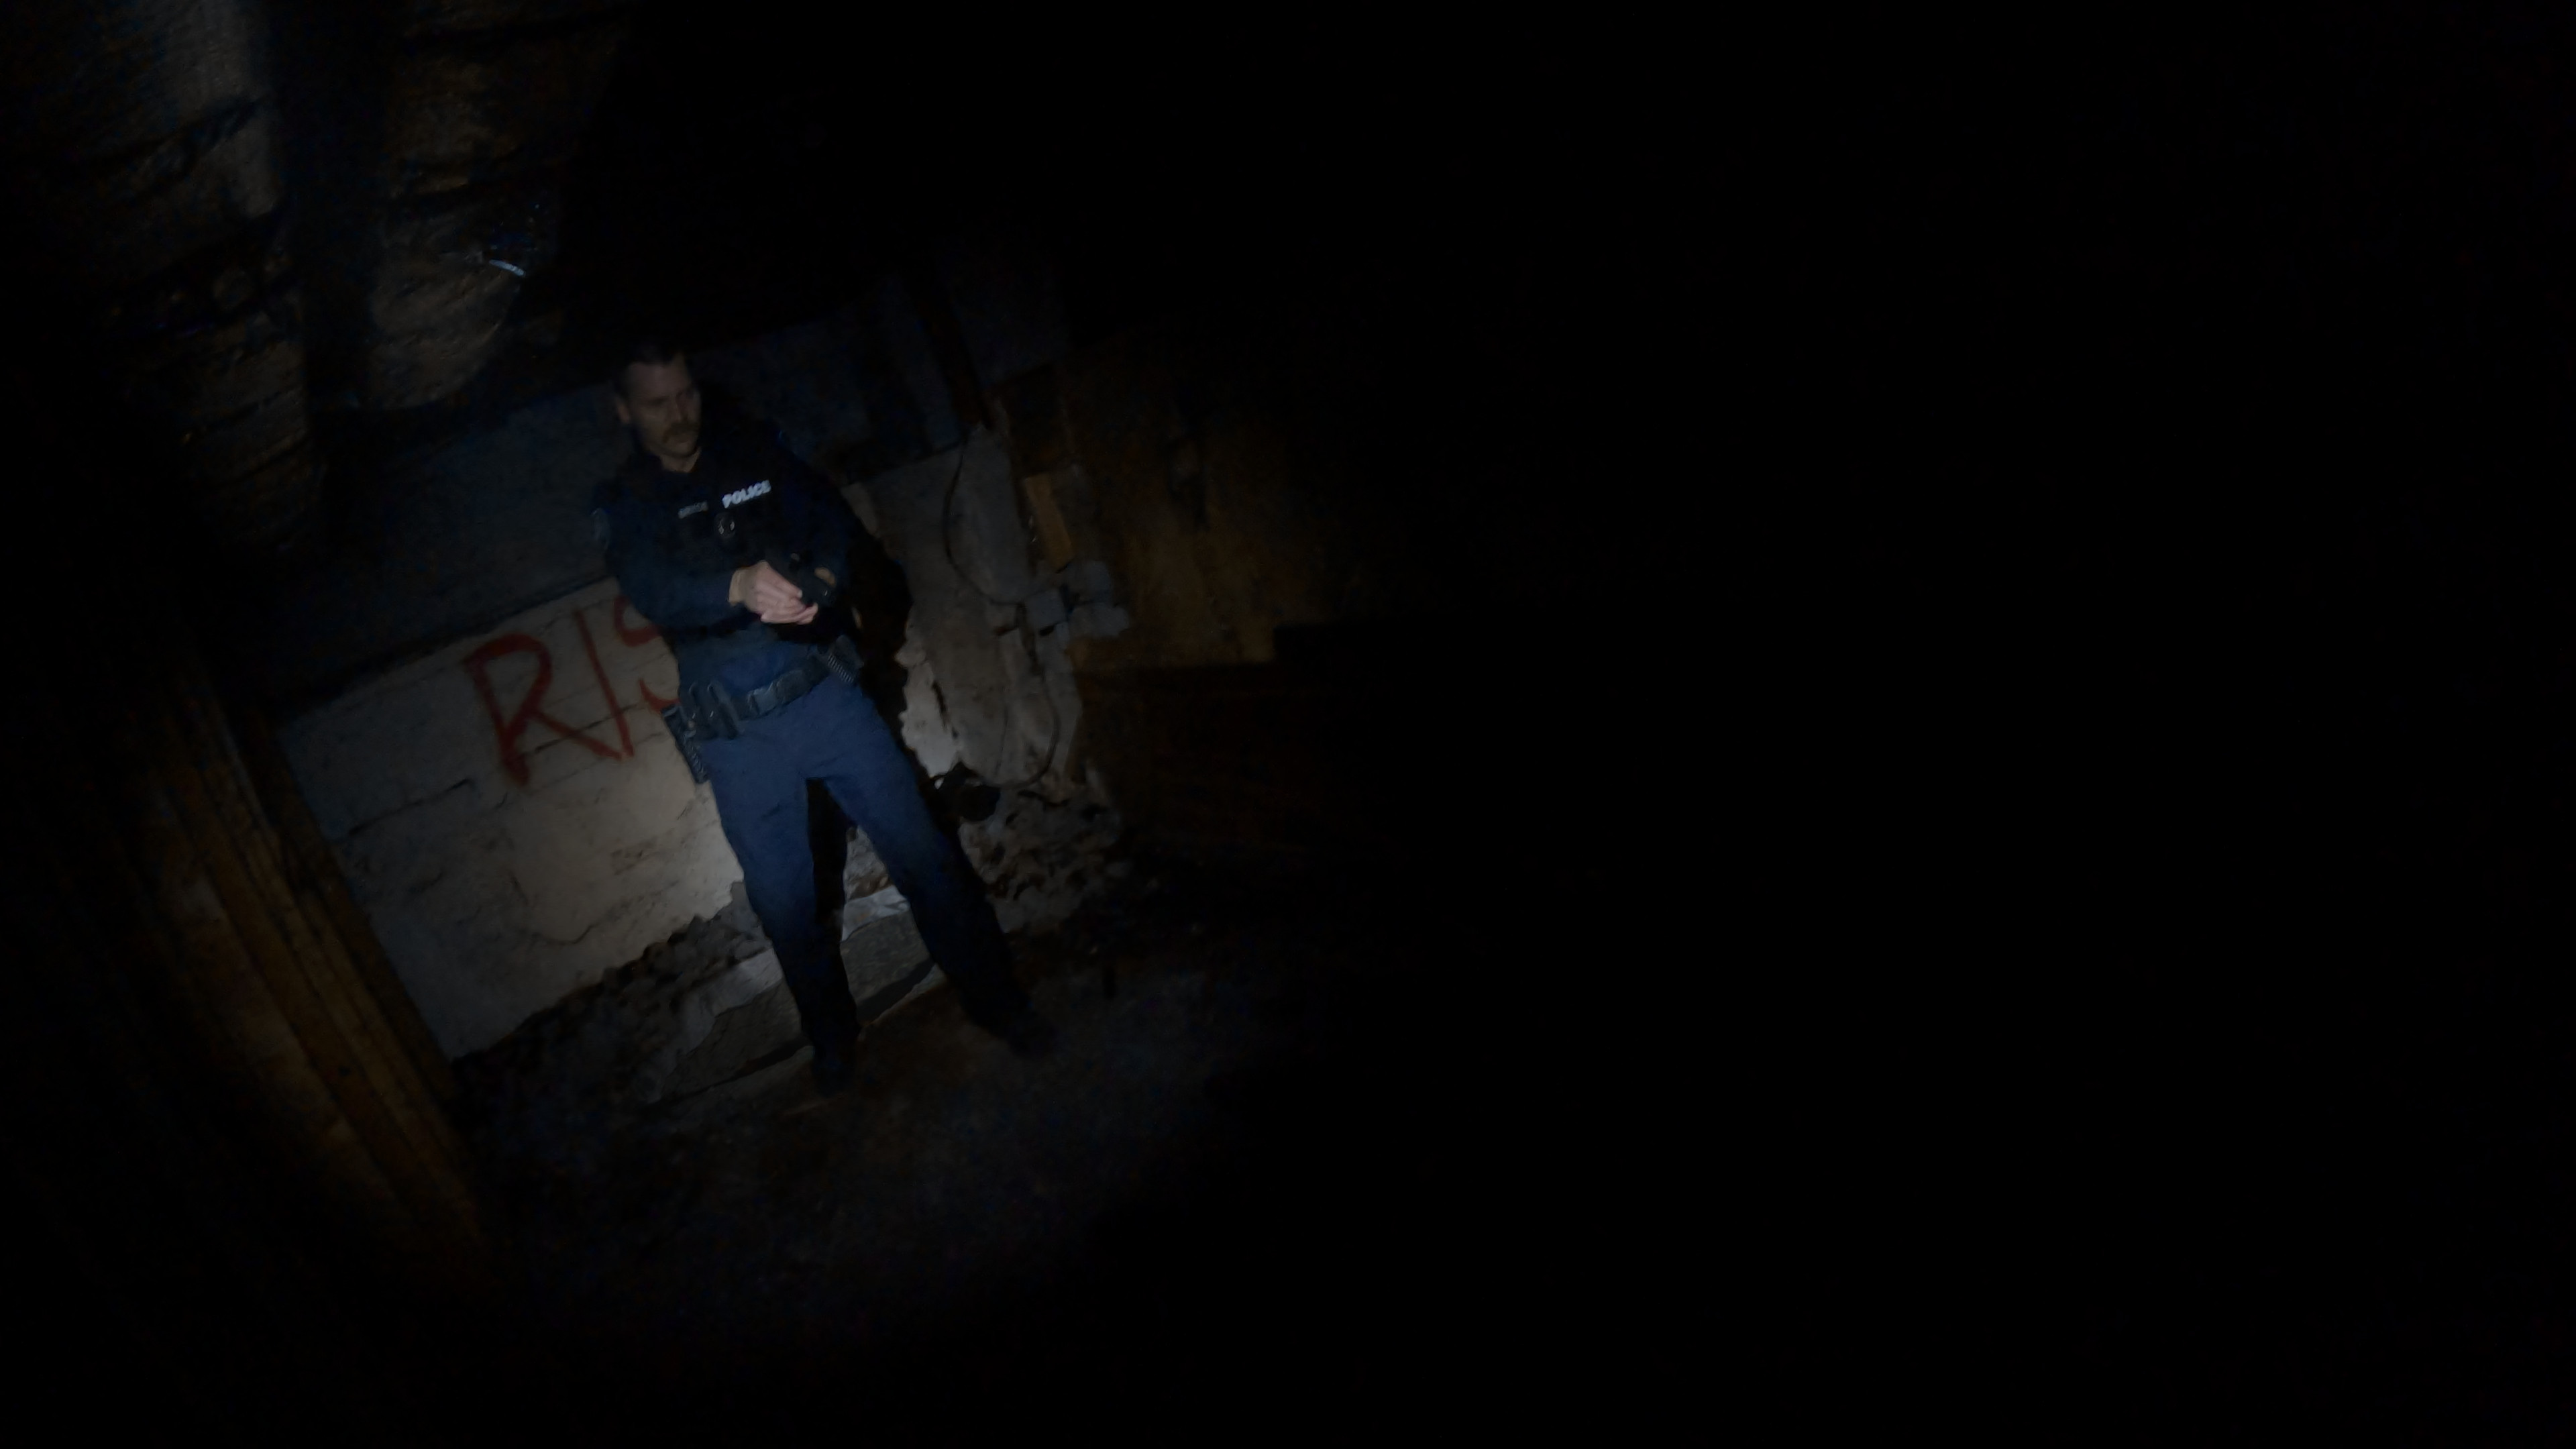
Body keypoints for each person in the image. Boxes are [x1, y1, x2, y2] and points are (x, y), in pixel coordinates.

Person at [594, 339, 1051, 1093]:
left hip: (824, 698)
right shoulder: (625, 502)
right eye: (657, 403)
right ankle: (832, 1041)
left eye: (686, 394)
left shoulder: (755, 452)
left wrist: (827, 579)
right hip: (739, 736)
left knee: (925, 855)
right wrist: (739, 585)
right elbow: (653, 586)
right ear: (623, 411)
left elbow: (829, 522)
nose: (679, 414)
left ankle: (1000, 1002)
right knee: (785, 903)